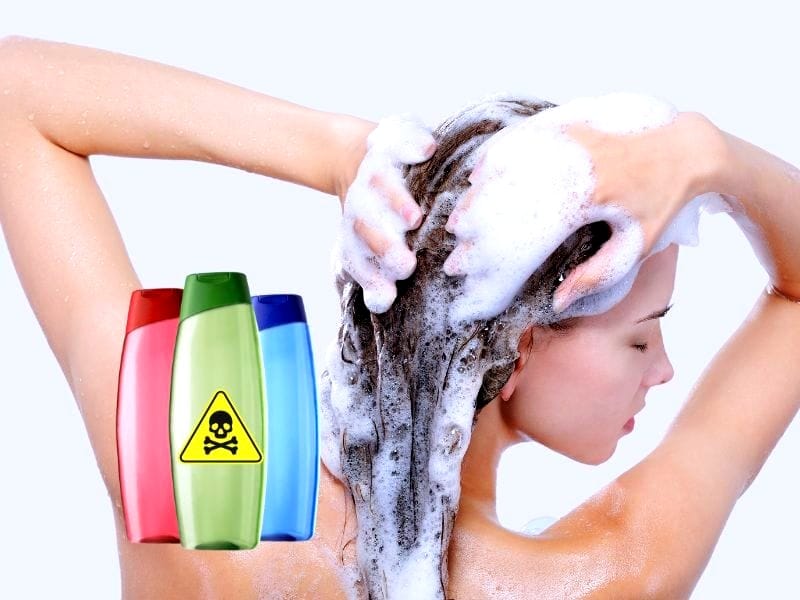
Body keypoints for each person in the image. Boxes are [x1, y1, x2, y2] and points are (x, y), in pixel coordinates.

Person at [1, 35, 799, 599]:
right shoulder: (607, 574)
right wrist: (708, 154)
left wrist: (337, 152)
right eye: (641, 335)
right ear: (512, 350)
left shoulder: (193, 487)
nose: (664, 369)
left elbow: (16, 93)